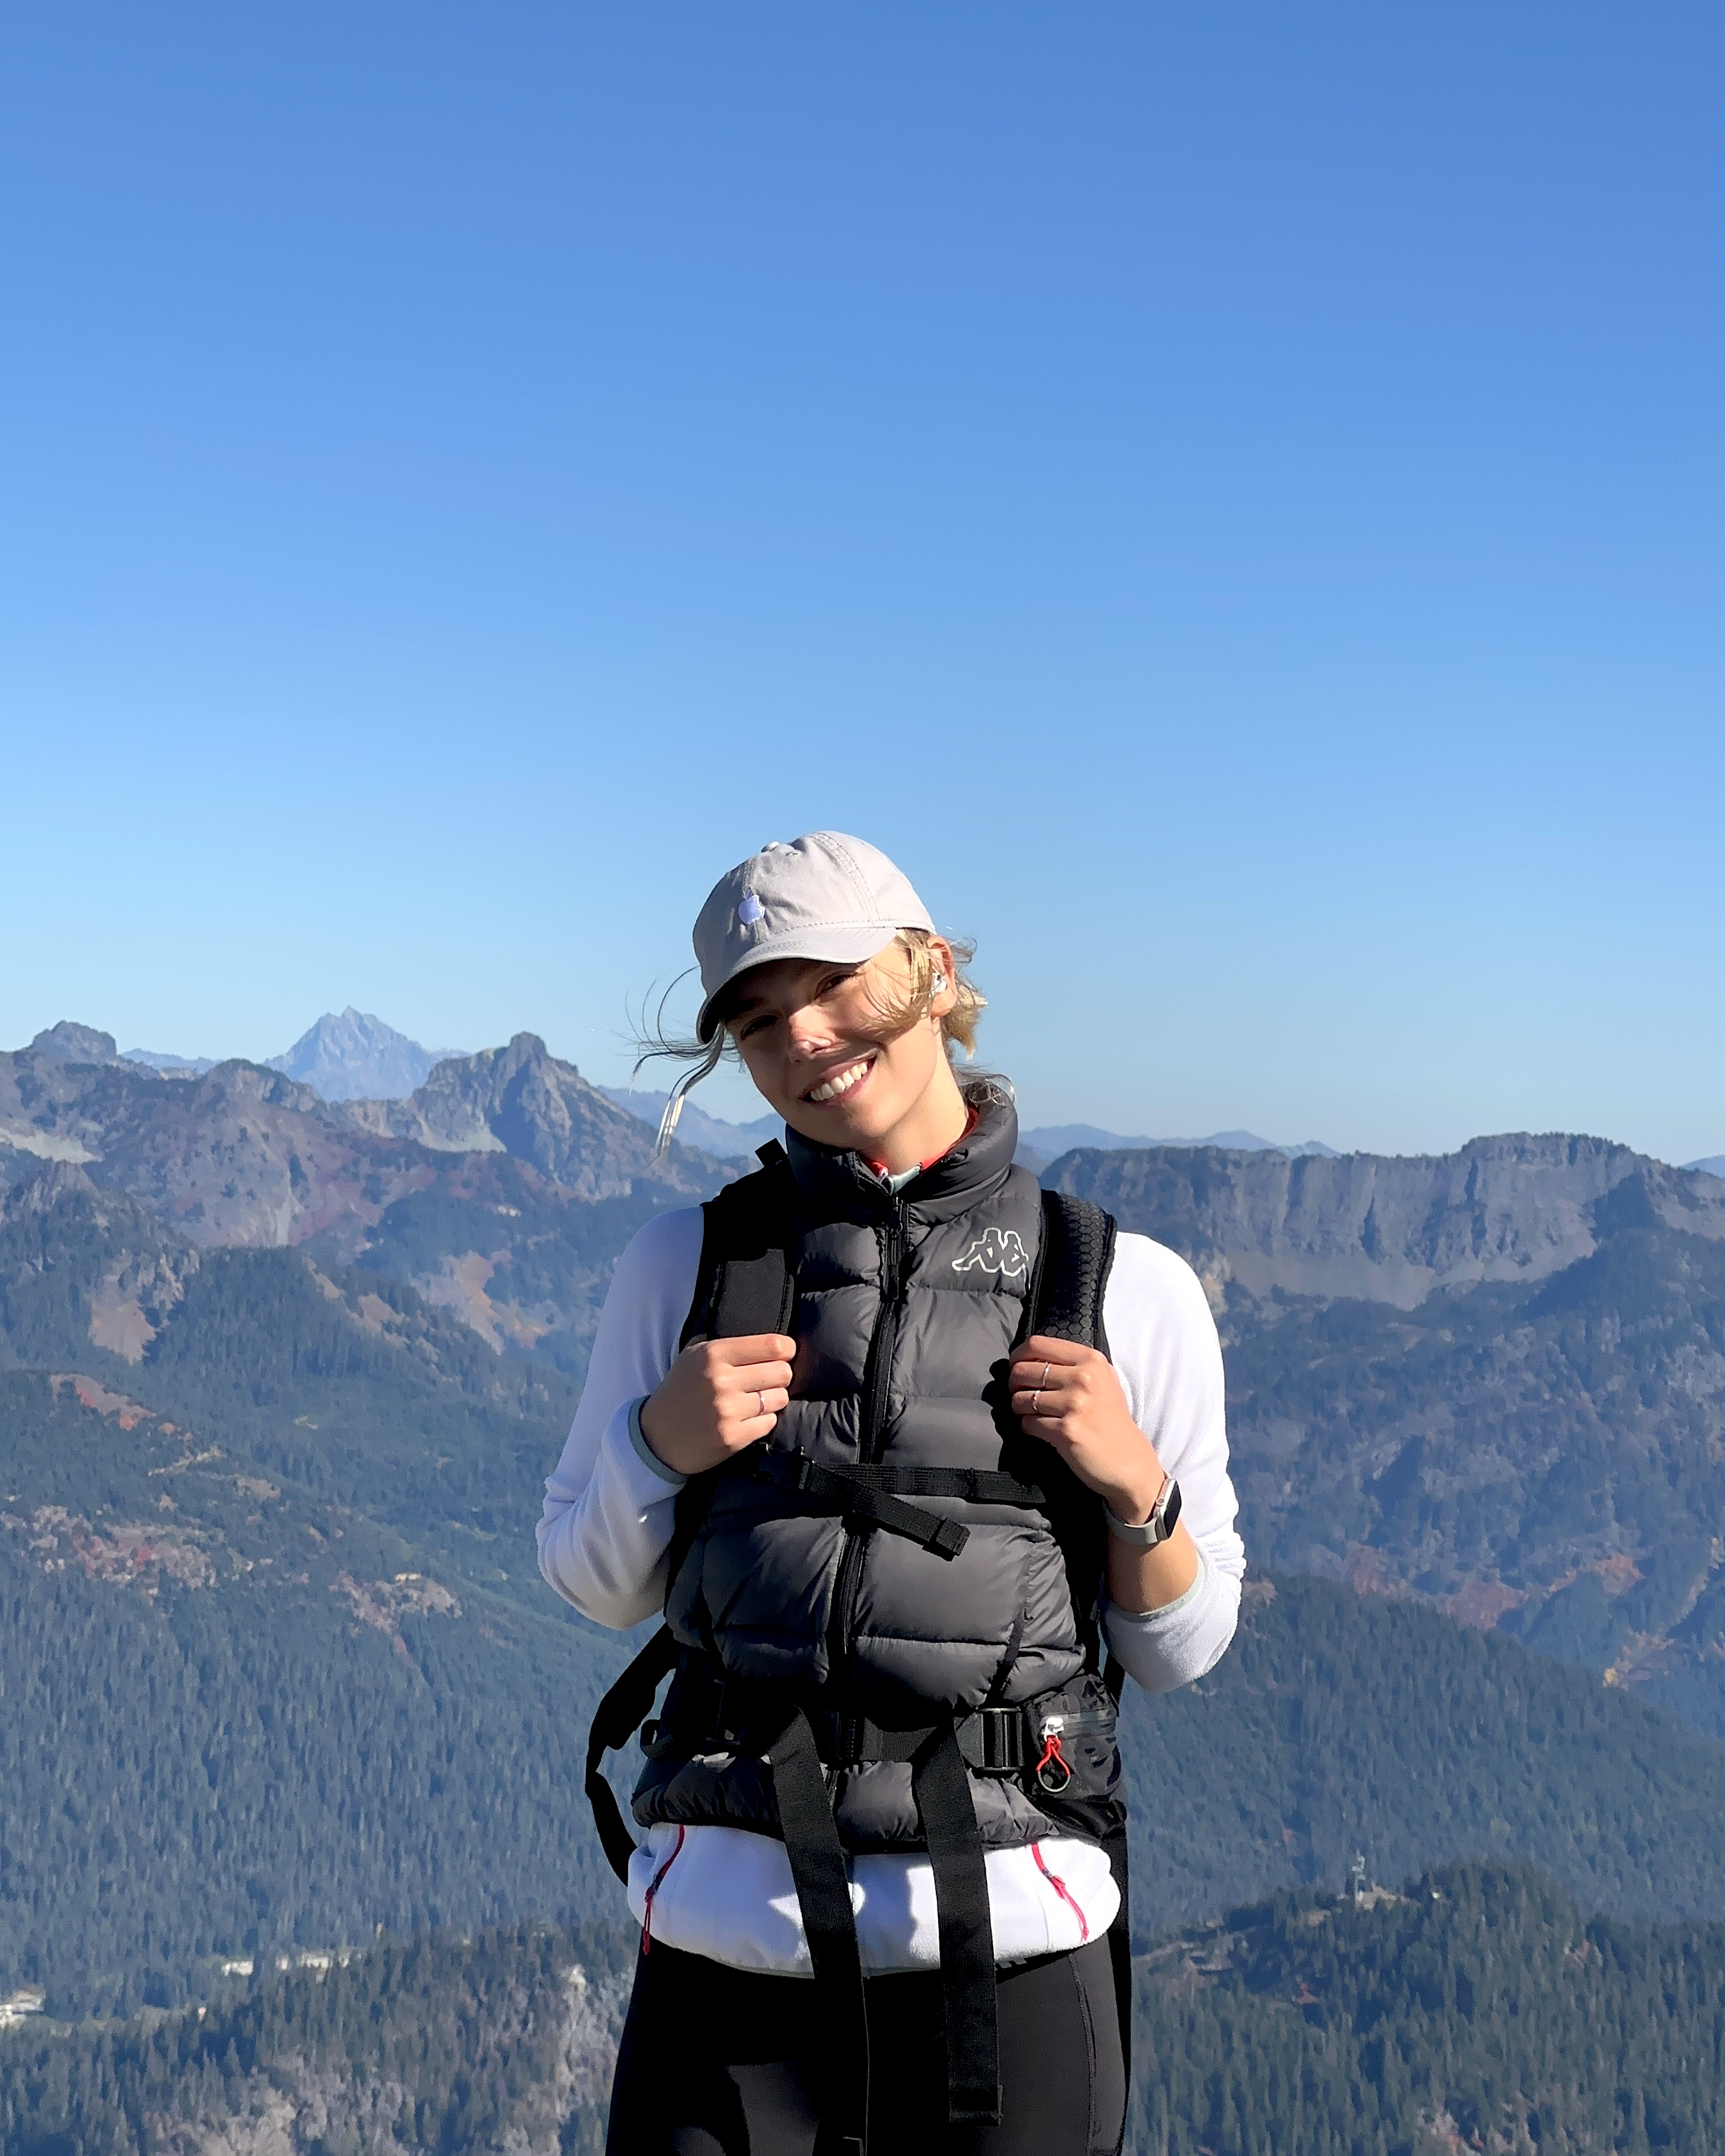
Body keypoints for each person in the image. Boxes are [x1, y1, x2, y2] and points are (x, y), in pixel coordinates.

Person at [538, 833, 1244, 2156]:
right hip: (725, 1958)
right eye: (754, 1018)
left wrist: (1138, 1491)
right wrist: (656, 1443)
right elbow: (589, 1579)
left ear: (931, 971)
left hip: (1014, 1968)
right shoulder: (684, 1264)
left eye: (828, 983)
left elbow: (1181, 1648)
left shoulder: (1120, 1286)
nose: (799, 1035)